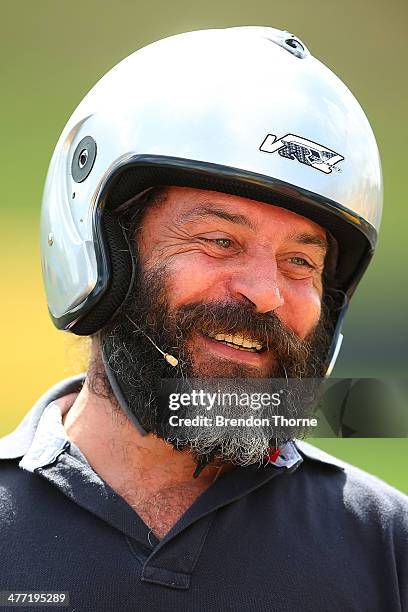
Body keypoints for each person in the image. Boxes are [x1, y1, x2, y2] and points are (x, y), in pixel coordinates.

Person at [0, 26, 407, 612]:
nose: (266, 293)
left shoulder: (387, 550)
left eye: (300, 262)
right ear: (105, 250)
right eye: (220, 240)